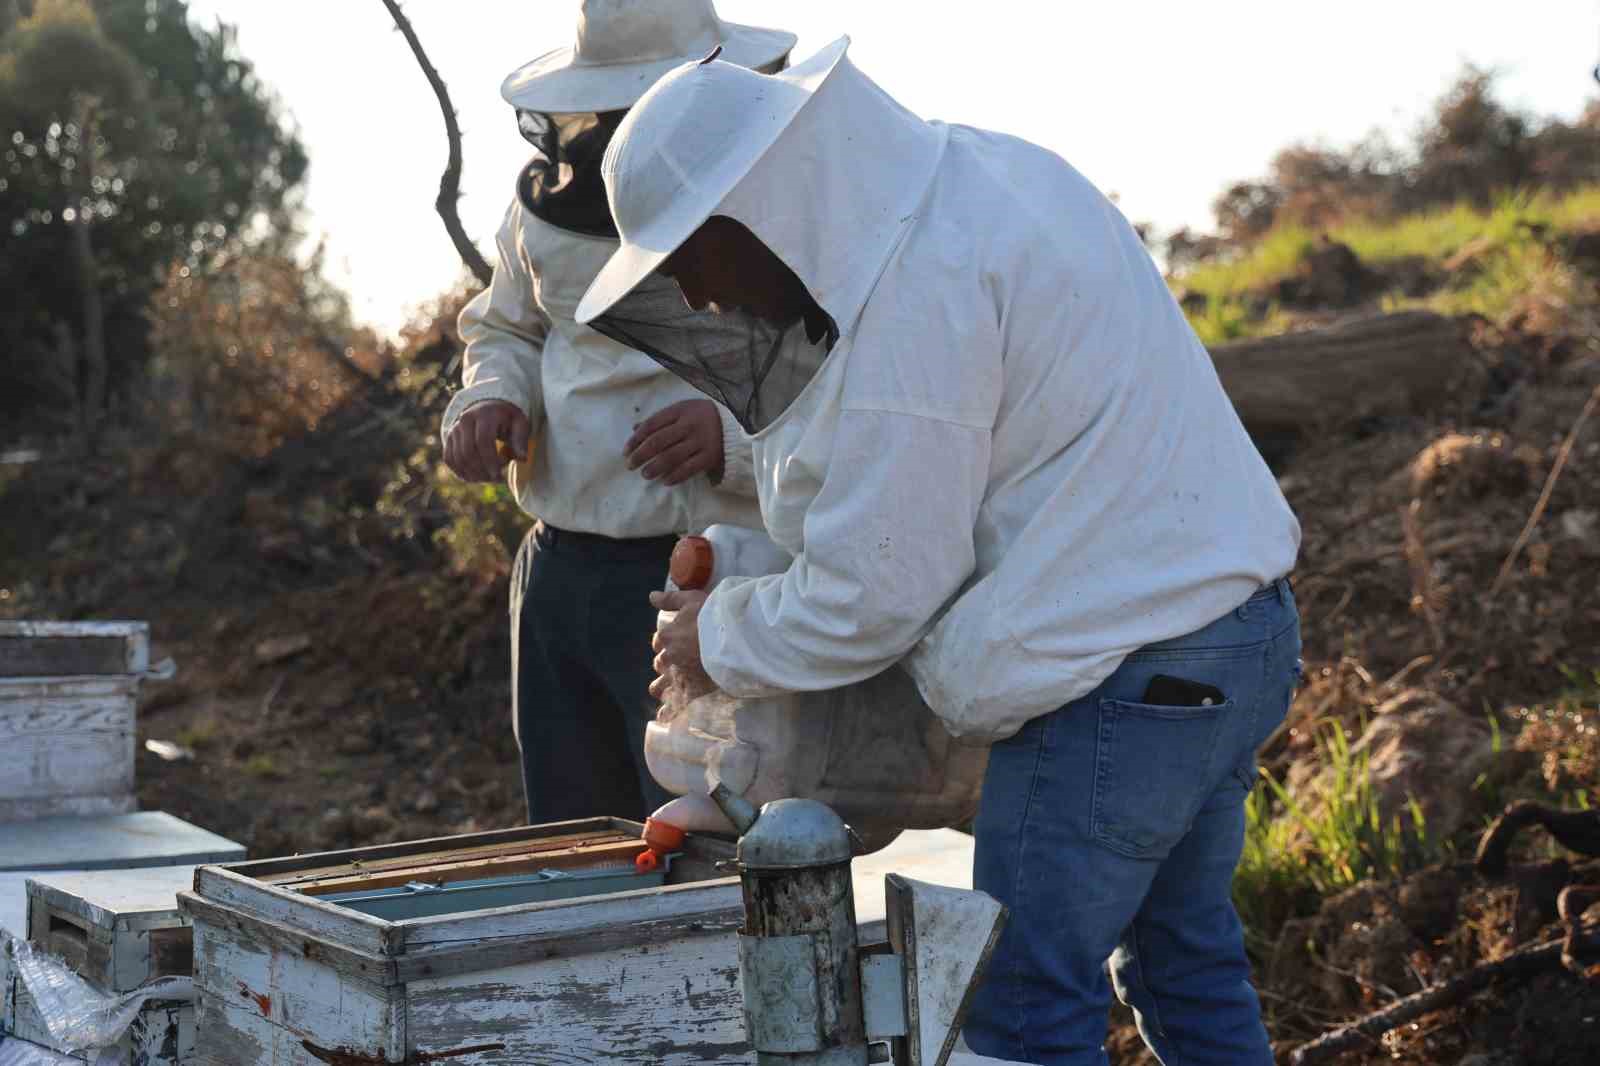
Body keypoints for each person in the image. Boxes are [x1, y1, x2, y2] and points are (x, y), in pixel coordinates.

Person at [575, 39, 1303, 1066]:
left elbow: (875, 590)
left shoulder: (910, 299)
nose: (697, 301)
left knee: (1017, 1004)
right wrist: (741, 463)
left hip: (1119, 679)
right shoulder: (986, 175)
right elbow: (966, 439)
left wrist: (715, 635)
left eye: (692, 259)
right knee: (1184, 964)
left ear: (760, 204)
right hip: (1233, 636)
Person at [440, 0, 796, 827]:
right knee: (574, 837)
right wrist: (492, 395)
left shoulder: (779, 197)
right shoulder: (543, 205)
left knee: (705, 834)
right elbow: (505, 326)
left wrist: (733, 439)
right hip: (559, 570)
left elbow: (838, 368)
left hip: (708, 577)